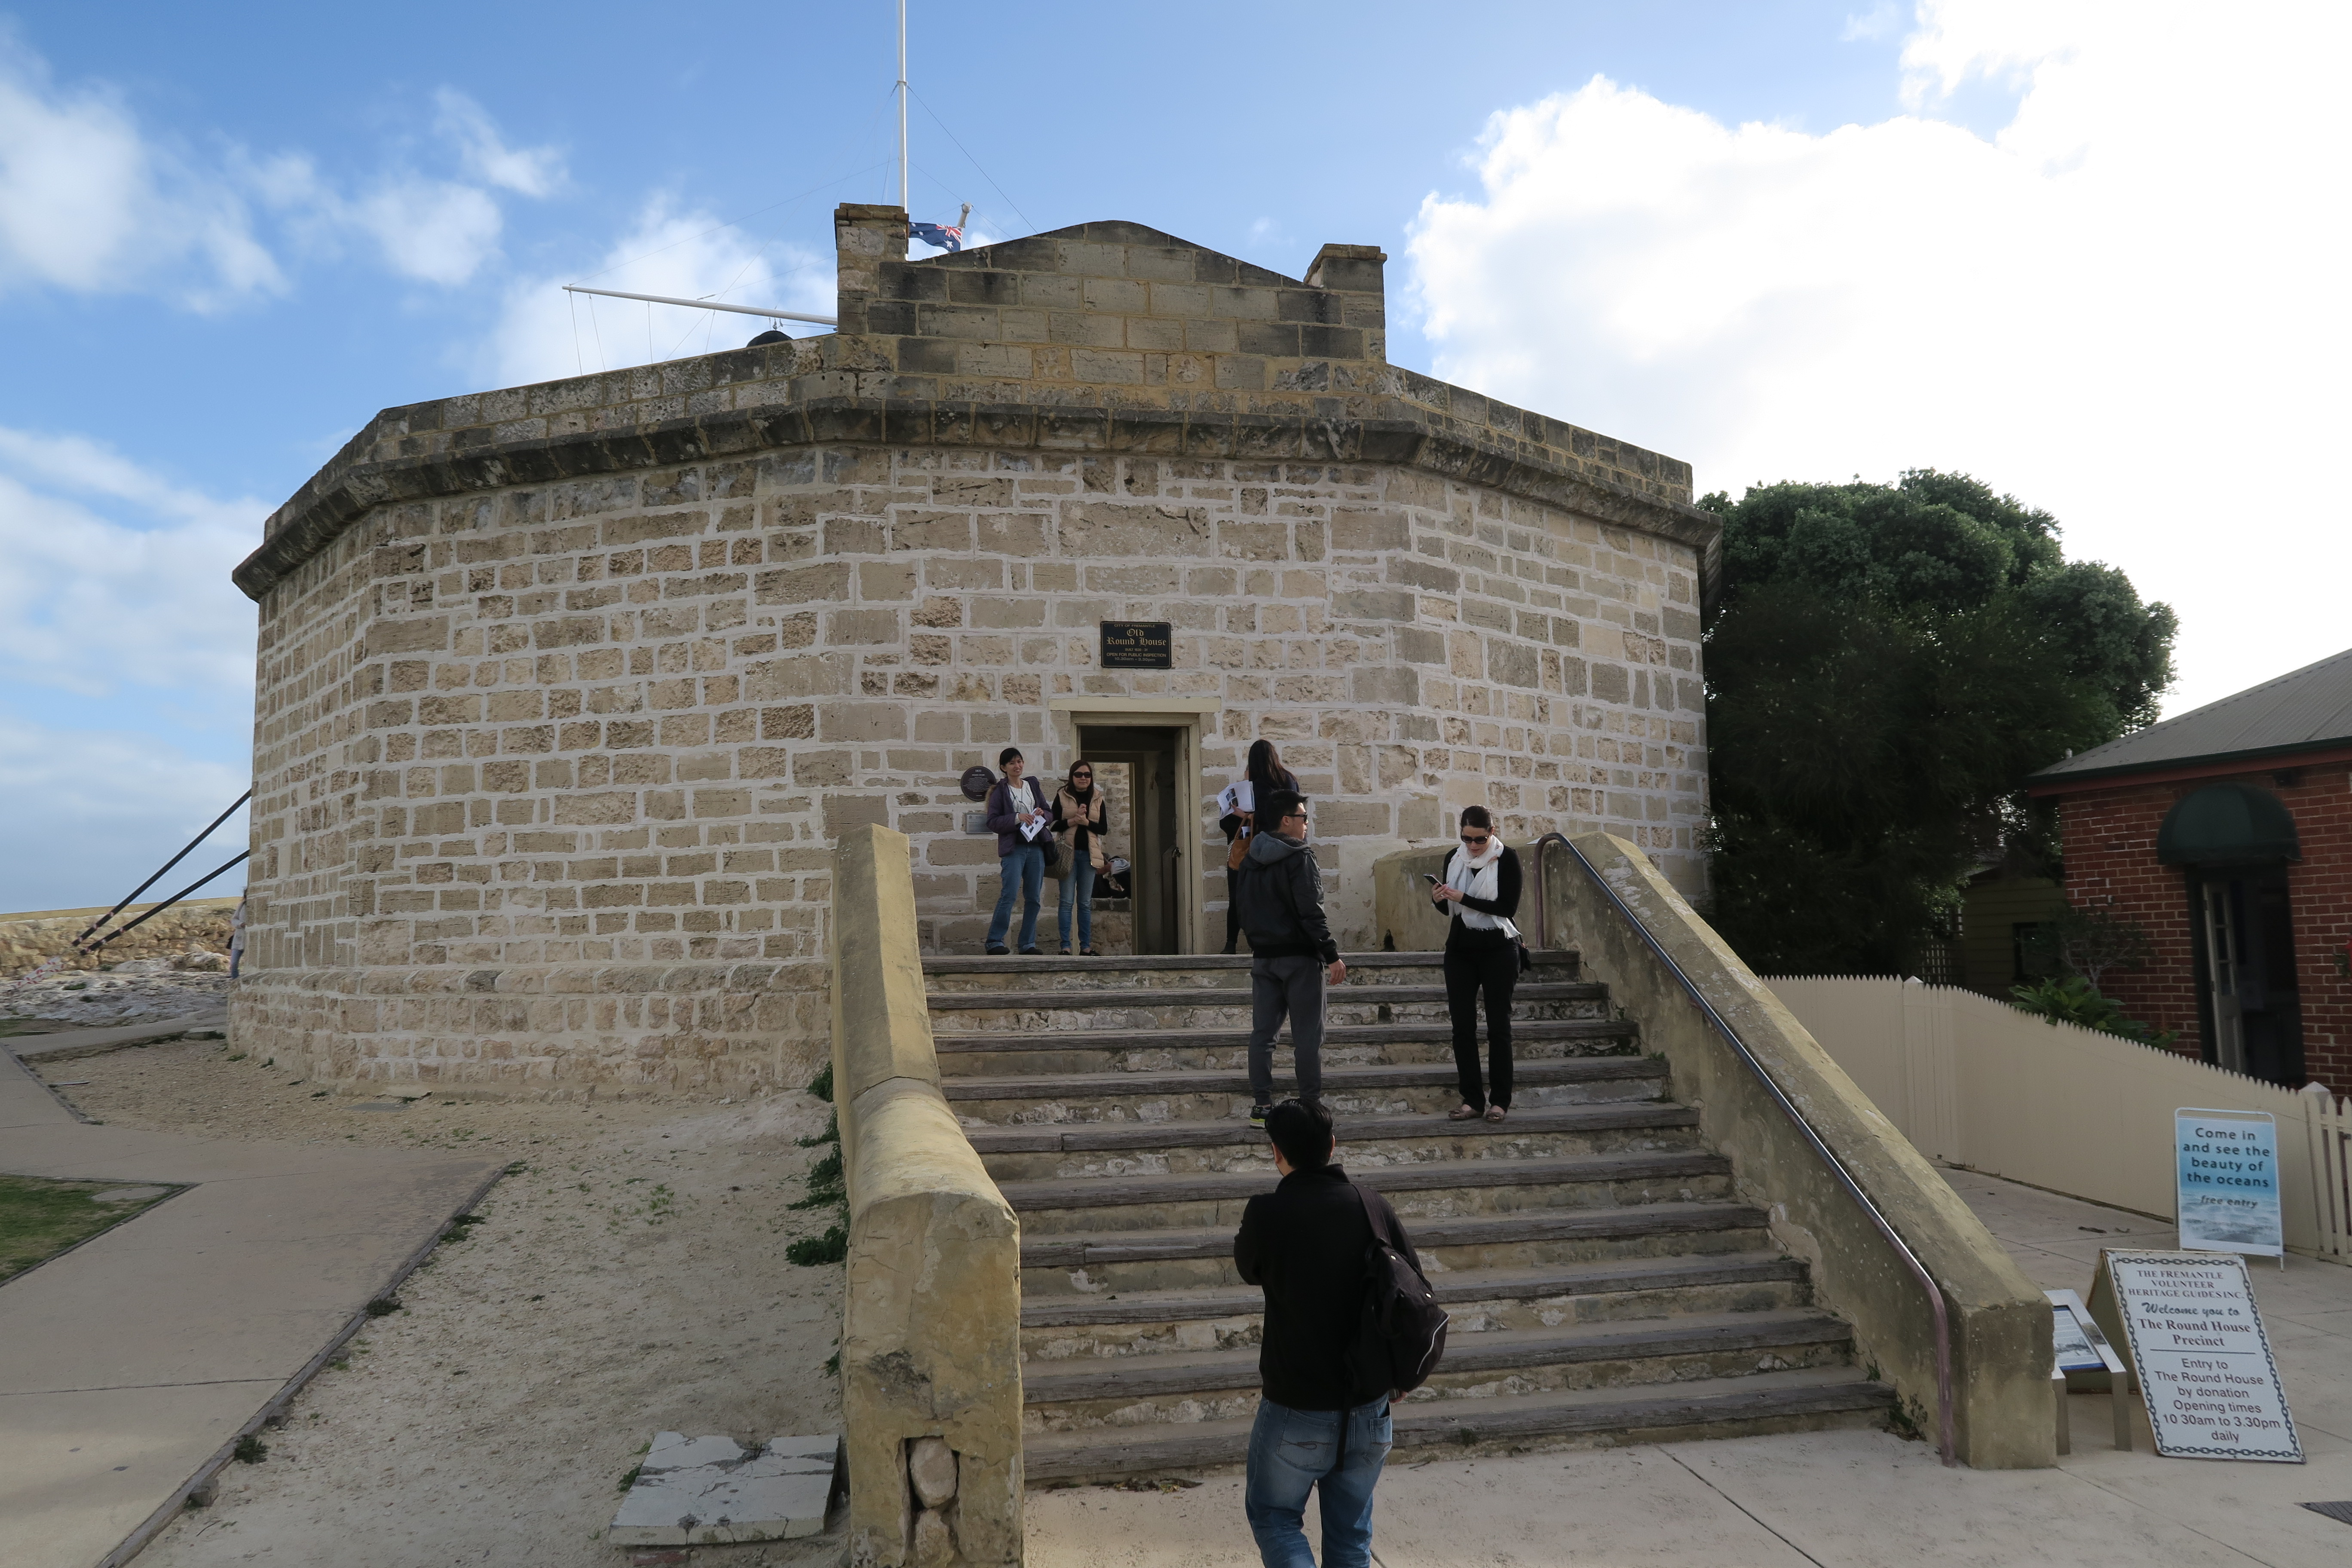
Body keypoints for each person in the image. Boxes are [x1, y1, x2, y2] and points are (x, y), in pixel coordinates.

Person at [1234, 1099, 1405, 1568]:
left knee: (1274, 1517)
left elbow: (1249, 1268)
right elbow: (1410, 1293)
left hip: (1297, 1407)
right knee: (1352, 1535)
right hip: (1369, 1407)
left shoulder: (1267, 1213)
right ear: (1332, 1145)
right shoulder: (1373, 1208)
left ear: (1276, 1153)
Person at [1233, 789, 1344, 1124]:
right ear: (1287, 820)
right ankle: (1311, 1106)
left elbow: (1243, 908)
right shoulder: (1301, 857)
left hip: (1263, 959)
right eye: (1303, 817)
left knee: (1263, 1036)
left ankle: (1262, 1105)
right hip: (1299, 958)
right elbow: (1312, 911)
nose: (1307, 824)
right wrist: (1331, 954)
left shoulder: (1250, 859)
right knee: (1308, 1037)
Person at [1430, 805, 1521, 1123]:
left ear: (1492, 832)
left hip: (1499, 949)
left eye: (1479, 839)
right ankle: (1472, 1100)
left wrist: (1461, 898)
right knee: (1462, 1029)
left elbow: (1507, 907)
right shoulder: (1454, 859)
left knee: (1499, 1028)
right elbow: (1449, 911)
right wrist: (1439, 898)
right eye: (1466, 838)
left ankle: (1500, 1102)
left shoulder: (1506, 858)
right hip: (1460, 950)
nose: (1472, 846)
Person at [1222, 741, 1299, 954]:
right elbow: (1292, 814)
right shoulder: (1289, 780)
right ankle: (1282, 942)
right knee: (1282, 897)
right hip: (1285, 849)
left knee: (1239, 897)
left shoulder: (1252, 787)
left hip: (1253, 850)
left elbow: (1227, 825)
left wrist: (1244, 815)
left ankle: (1231, 944)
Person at [982, 747, 1050, 955]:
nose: (1017, 766)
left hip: (1036, 847)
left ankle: (1028, 944)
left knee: (1034, 898)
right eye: (1012, 763)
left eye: (1019, 761)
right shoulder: (1000, 791)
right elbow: (992, 822)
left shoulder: (1033, 785)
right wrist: (1017, 818)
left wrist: (1041, 814)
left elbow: (1050, 812)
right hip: (1014, 849)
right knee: (1009, 895)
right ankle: (995, 941)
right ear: (1004, 768)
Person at [1050, 760, 1108, 956]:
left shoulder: (1098, 798)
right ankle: (1066, 946)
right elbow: (1053, 824)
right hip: (1068, 855)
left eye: (1087, 775)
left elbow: (1104, 829)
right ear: (1072, 777)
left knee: (1084, 903)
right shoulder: (1062, 795)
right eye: (1079, 774)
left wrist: (1087, 822)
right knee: (1066, 902)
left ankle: (1085, 947)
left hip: (1090, 857)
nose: (1083, 778)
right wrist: (1074, 820)